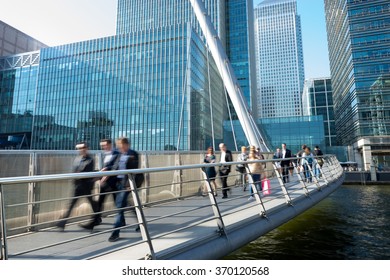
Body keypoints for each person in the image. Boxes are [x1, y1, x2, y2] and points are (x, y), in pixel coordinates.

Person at [80, 139, 120, 231]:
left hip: (114, 183)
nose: (103, 147)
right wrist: (98, 177)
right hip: (105, 184)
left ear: (110, 144)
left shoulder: (116, 153)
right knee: (100, 203)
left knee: (120, 204)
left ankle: (137, 220)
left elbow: (115, 167)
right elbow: (104, 168)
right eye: (102, 145)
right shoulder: (105, 155)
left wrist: (106, 172)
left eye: (104, 145)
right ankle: (94, 222)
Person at [56, 142, 97, 230]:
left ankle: (97, 217)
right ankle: (62, 222)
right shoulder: (77, 158)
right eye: (80, 148)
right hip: (78, 185)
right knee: (72, 204)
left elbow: (88, 172)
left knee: (92, 203)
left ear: (87, 148)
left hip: (86, 185)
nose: (82, 149)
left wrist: (78, 173)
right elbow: (74, 170)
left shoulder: (90, 159)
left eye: (84, 147)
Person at [108, 137, 141, 242]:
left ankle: (115, 233)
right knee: (126, 205)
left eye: (121, 145)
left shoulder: (133, 154)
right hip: (118, 183)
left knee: (119, 208)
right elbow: (113, 166)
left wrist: (128, 185)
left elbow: (134, 170)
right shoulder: (119, 154)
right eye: (118, 145)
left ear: (126, 144)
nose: (119, 147)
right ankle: (141, 222)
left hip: (127, 184)